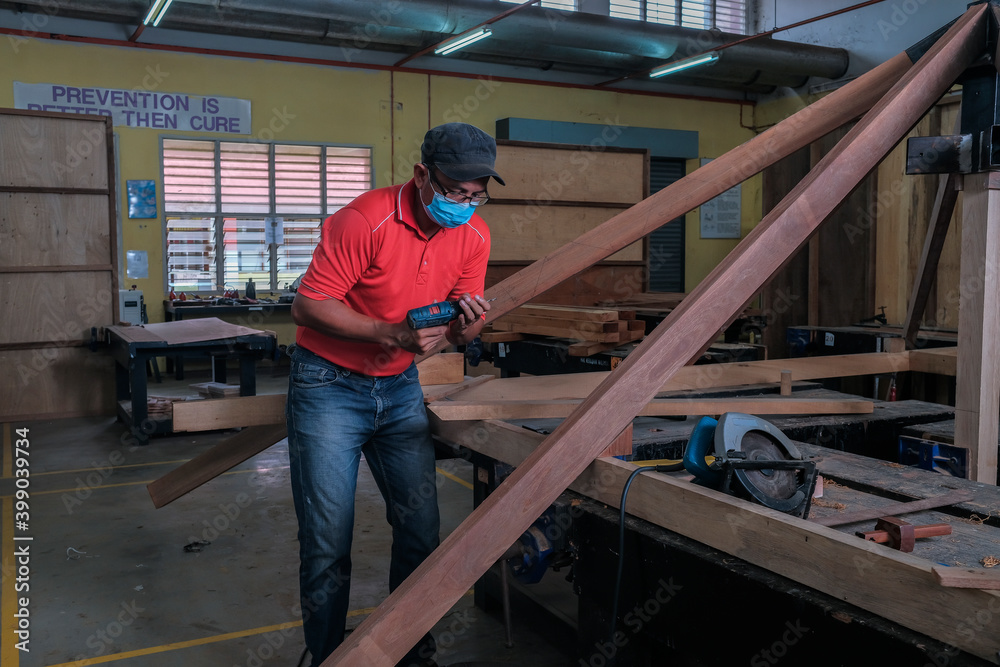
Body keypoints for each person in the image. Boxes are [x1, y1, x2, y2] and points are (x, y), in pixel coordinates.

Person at [285, 122, 502, 666]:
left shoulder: (474, 236)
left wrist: (471, 323)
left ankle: (411, 649)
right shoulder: (365, 220)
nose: (465, 204)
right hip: (328, 385)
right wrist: (391, 333)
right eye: (454, 191)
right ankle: (327, 655)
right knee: (328, 540)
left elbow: (458, 332)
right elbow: (308, 306)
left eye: (477, 195)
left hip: (400, 386)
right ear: (422, 175)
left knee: (419, 527)